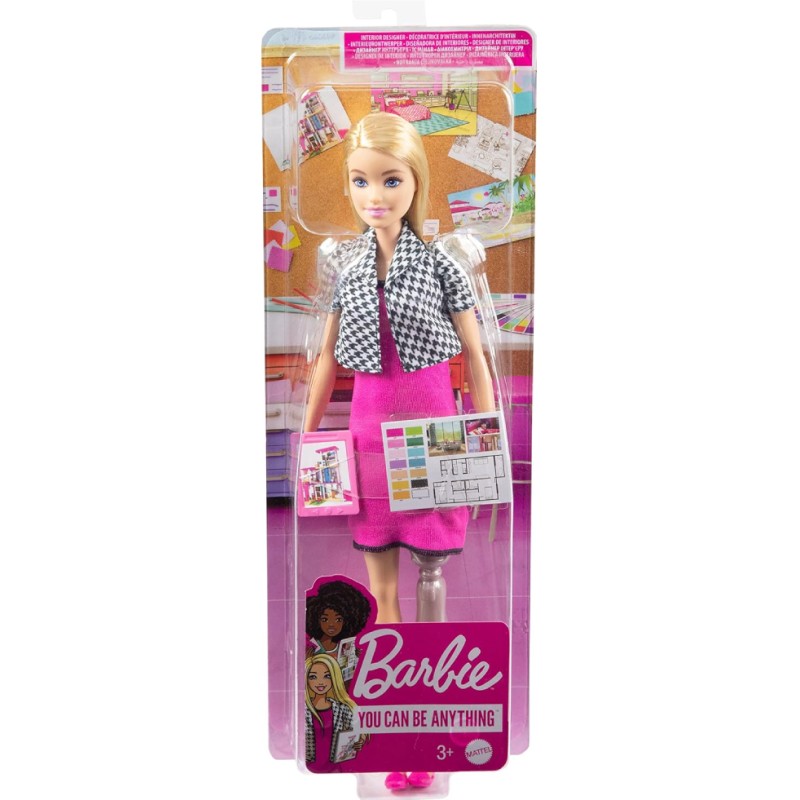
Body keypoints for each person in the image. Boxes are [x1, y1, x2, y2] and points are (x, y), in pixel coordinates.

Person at [304, 112, 495, 624]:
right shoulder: (346, 267)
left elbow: (475, 355)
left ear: (416, 182)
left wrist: (487, 438)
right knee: (382, 590)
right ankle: (393, 666)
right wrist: (308, 437)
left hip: (434, 434)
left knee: (432, 576)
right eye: (360, 180)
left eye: (391, 181)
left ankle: (431, 661)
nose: (375, 196)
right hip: (368, 433)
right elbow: (326, 358)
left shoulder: (441, 264)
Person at [304, 653, 365, 772]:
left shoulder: (343, 709)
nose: (320, 682)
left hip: (336, 769)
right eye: (313, 677)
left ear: (334, 678)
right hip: (308, 768)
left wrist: (359, 741)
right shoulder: (302, 710)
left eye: (327, 676)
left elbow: (355, 733)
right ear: (306, 679)